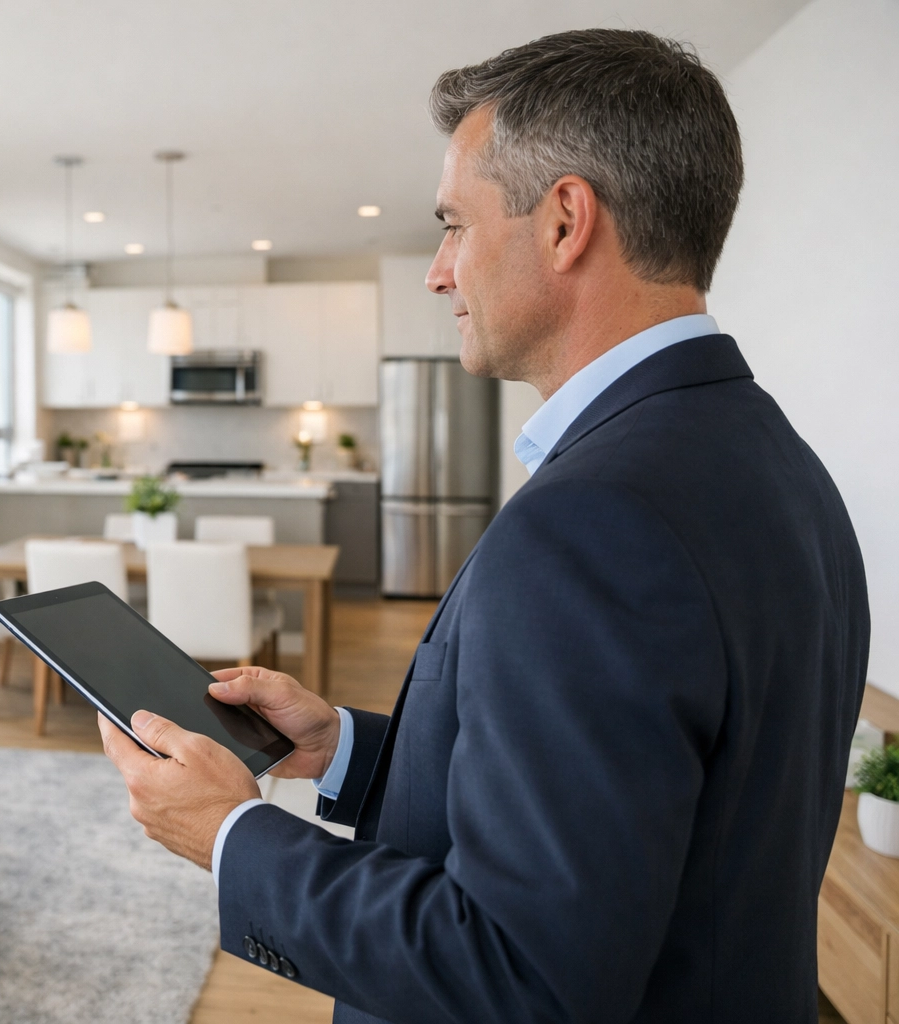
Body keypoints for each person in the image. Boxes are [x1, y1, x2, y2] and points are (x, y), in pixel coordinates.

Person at [99, 27, 869, 1023]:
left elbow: (519, 972)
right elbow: (633, 812)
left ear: (564, 223)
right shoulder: (778, 463)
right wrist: (343, 747)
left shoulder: (595, 521)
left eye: (454, 224)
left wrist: (234, 835)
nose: (438, 271)